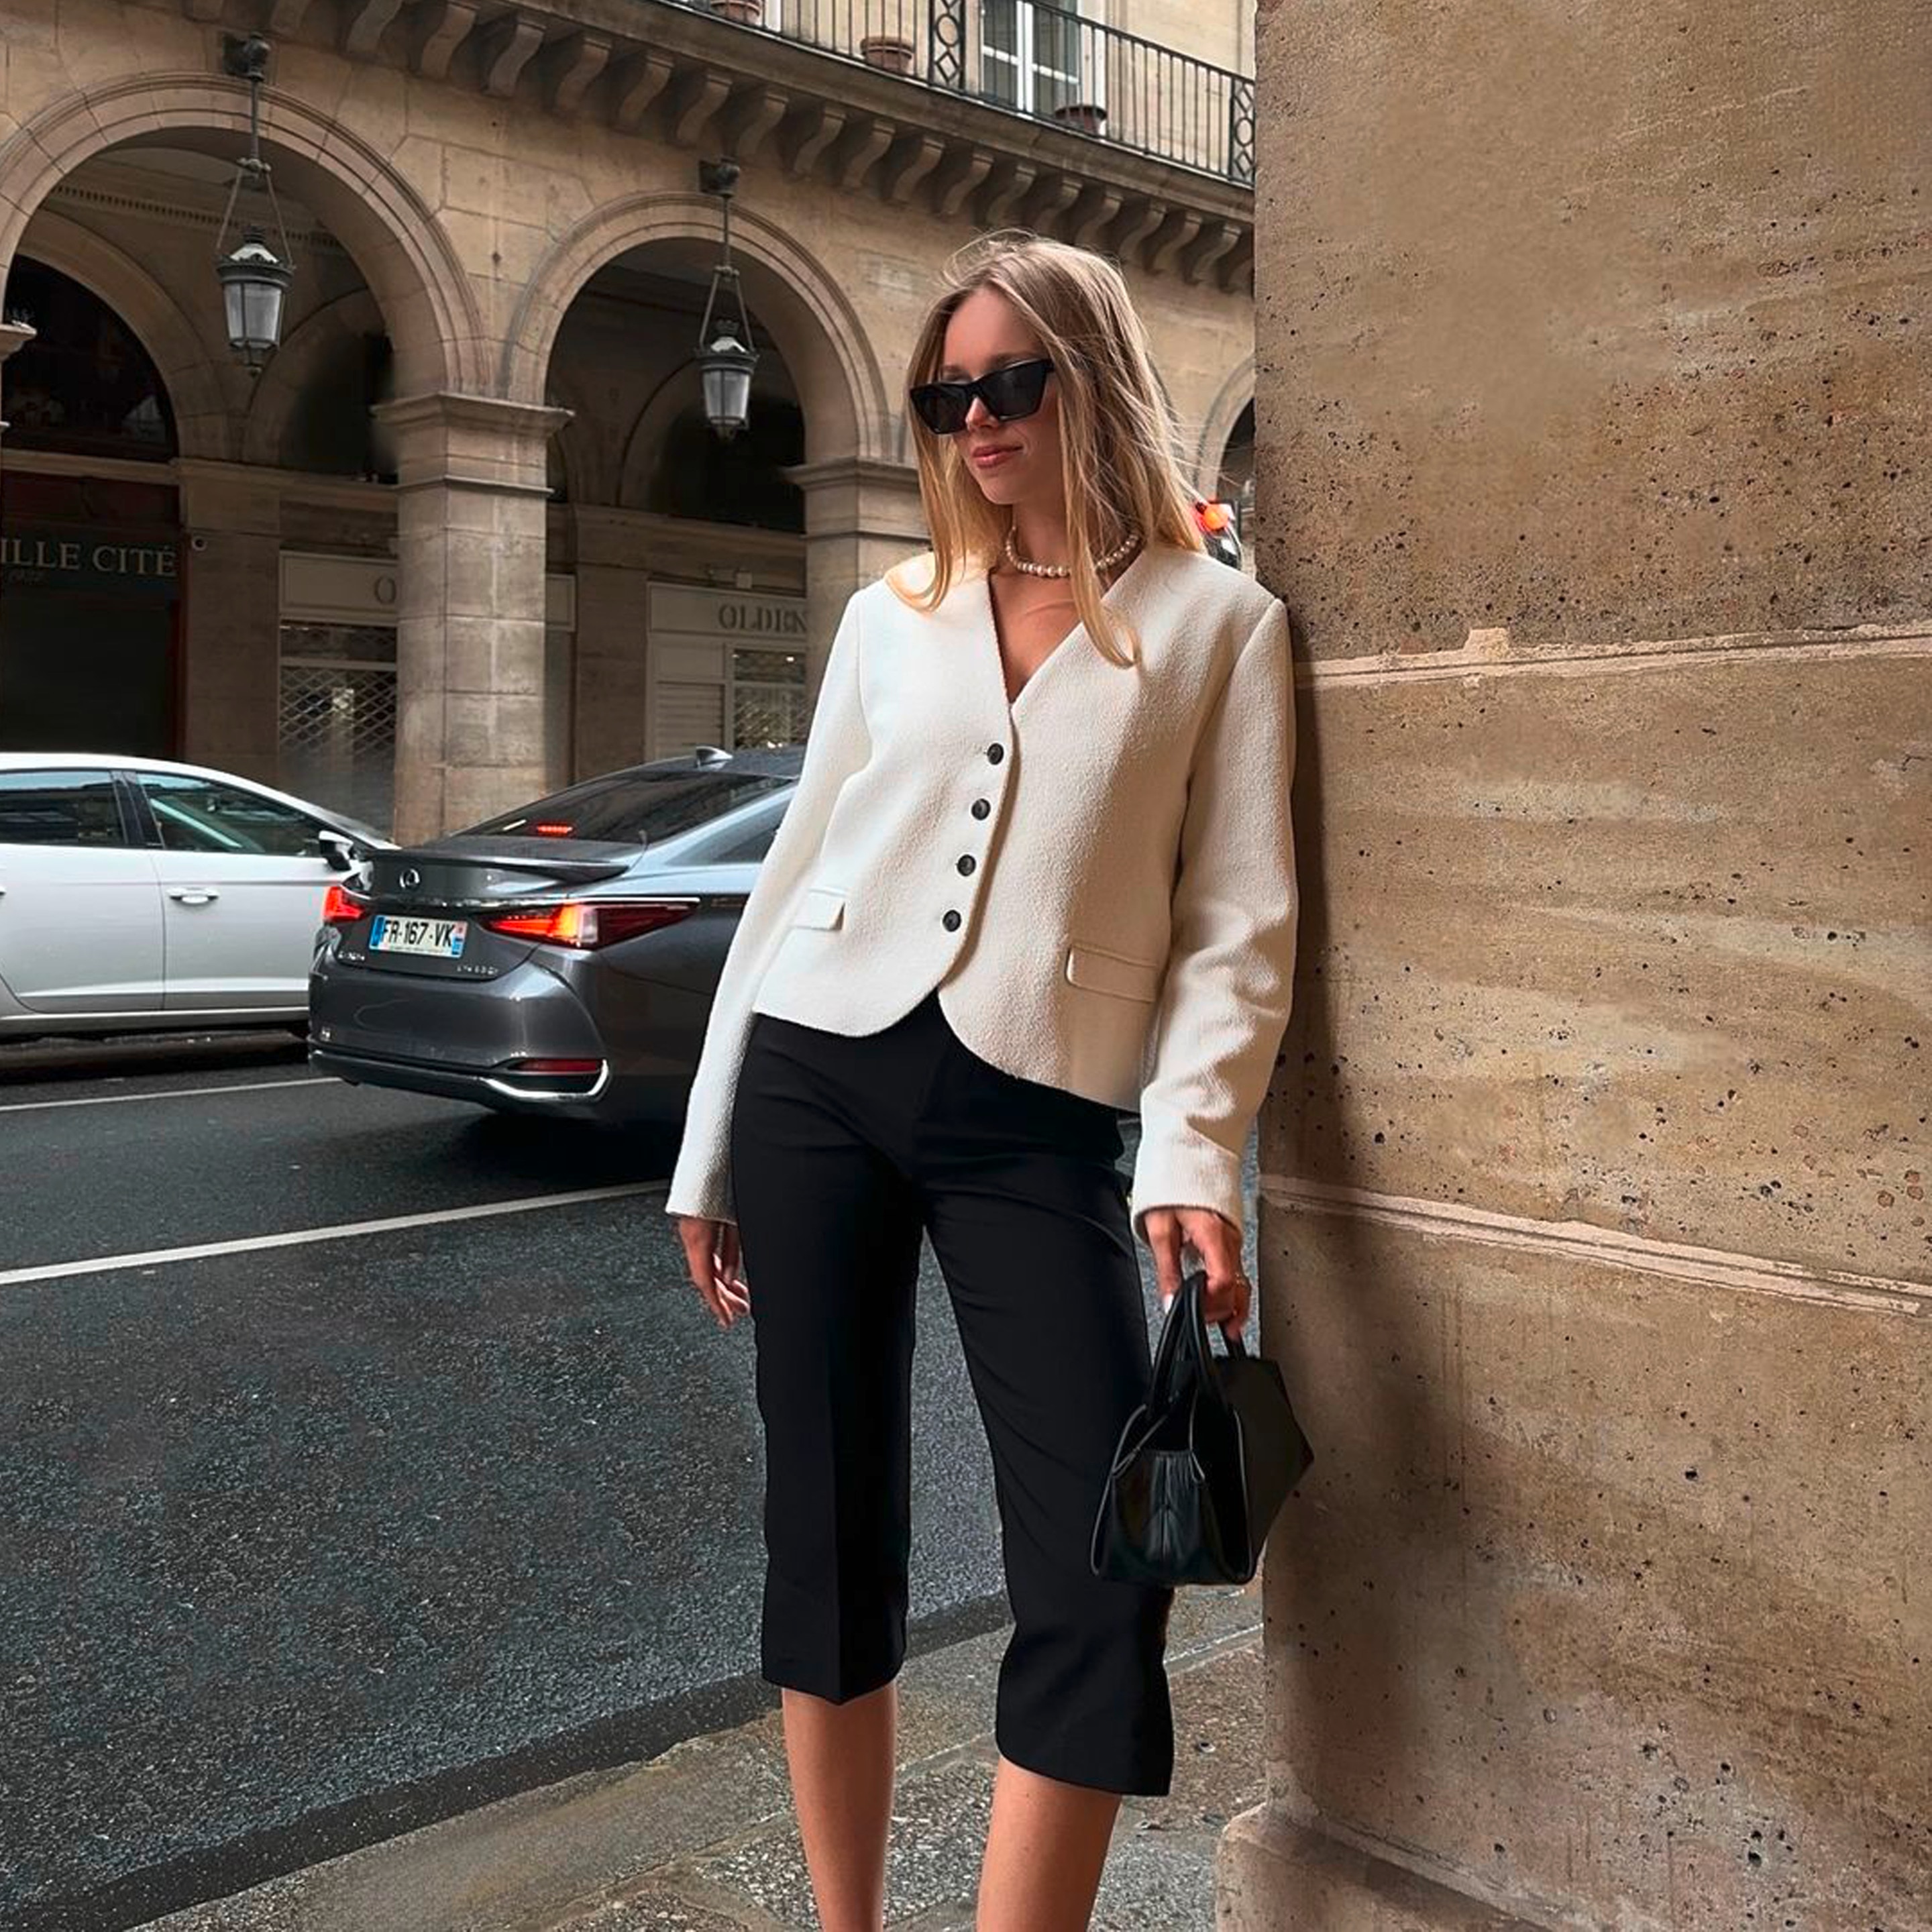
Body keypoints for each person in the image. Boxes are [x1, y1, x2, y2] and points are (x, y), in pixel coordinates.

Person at [666, 230, 1299, 1931]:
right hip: (817, 1078)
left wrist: (1192, 1157)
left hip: (1039, 1112)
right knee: (826, 1530)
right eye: (946, 395)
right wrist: (707, 1149)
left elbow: (1239, 922)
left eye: (1008, 381)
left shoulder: (1220, 626)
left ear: (1092, 377)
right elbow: (795, 876)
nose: (976, 420)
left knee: (1104, 1569)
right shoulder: (893, 614)